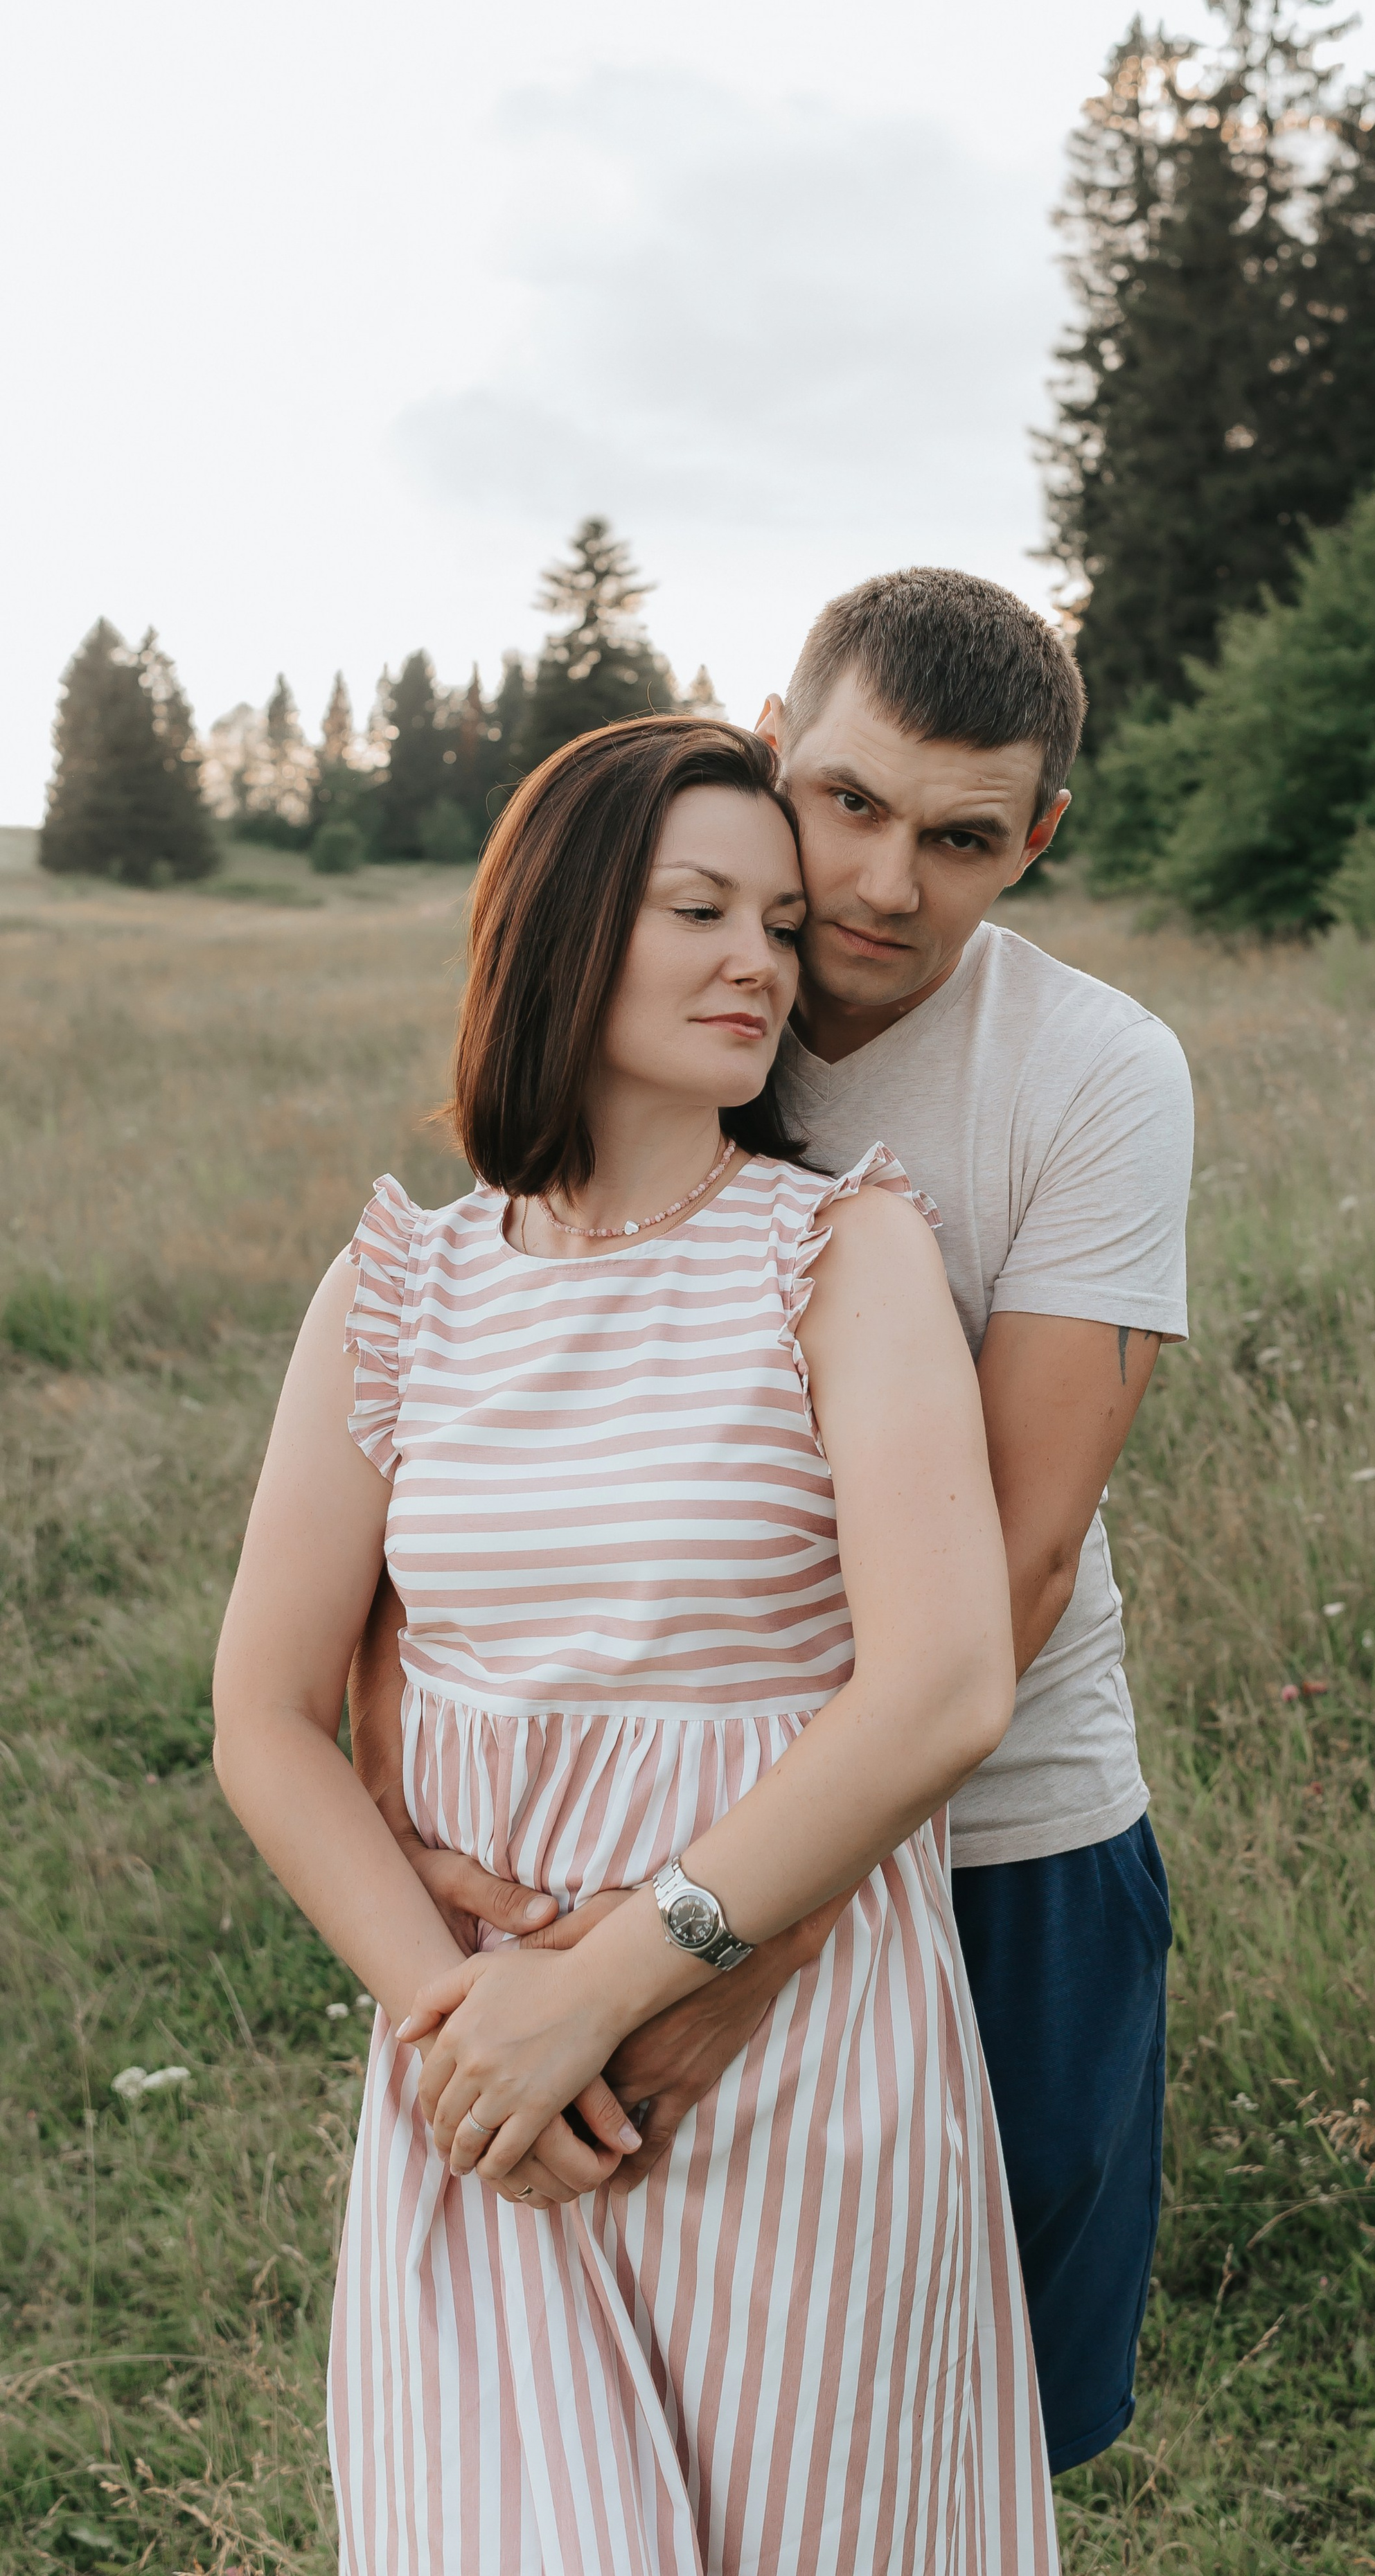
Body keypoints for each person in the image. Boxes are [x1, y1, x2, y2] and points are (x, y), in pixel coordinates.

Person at [353, 568, 1194, 2473]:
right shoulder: (689, 988)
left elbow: (1026, 1560)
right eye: (853, 804)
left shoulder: (1092, 1076)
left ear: (1037, 842)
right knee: (652, 2429)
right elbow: (488, 1392)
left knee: (973, 2430)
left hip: (996, 1851)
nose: (889, 884)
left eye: (965, 837)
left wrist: (740, 1948)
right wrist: (417, 1803)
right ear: (769, 745)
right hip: (606, 1879)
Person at [212, 714, 1058, 2575]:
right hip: (481, 2080)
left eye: (779, 920)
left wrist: (614, 1989)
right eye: (700, 909)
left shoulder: (840, 1250)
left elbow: (943, 1681)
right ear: (565, 926)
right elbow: (264, 1716)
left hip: (793, 2066)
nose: (761, 959)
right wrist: (464, 2023)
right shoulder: (402, 1285)